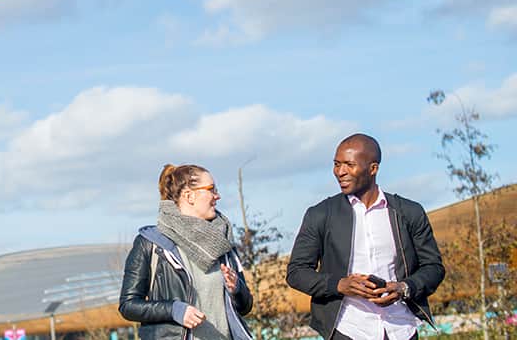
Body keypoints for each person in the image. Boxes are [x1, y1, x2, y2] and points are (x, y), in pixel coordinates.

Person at [286, 133, 445, 340]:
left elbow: (433, 267)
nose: (340, 172)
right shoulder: (320, 214)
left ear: (373, 169)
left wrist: (403, 288)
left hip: (401, 329)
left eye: (349, 165)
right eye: (336, 164)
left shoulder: (408, 212)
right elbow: (296, 272)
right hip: (348, 329)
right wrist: (339, 285)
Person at [119, 164, 253, 340]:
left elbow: (245, 307)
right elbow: (128, 305)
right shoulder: (150, 243)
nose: (217, 196)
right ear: (189, 196)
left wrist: (237, 289)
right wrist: (174, 310)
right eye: (211, 189)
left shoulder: (224, 244)